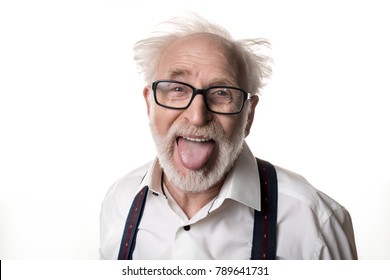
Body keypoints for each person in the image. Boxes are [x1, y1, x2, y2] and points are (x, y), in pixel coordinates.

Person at [100, 14, 358, 260]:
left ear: (249, 114)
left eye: (222, 93)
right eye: (177, 89)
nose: (197, 116)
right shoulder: (120, 202)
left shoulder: (315, 222)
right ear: (149, 105)